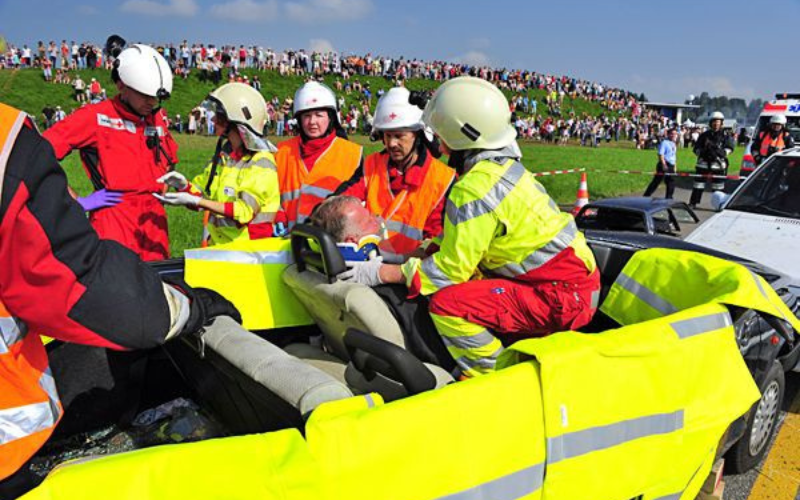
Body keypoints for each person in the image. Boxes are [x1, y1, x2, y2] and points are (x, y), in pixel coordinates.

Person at [0, 102, 240, 498]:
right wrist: (187, 308)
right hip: (9, 453)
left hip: (144, 234)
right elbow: (77, 283)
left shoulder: (158, 123)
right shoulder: (12, 140)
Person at [338, 77, 600, 378]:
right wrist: (403, 256)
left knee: (448, 303)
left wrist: (380, 273)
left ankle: (491, 375)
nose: (437, 141)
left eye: (439, 133)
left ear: (456, 136)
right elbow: (455, 241)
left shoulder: (473, 190)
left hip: (562, 297)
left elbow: (448, 273)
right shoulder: (499, 170)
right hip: (571, 286)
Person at [43, 36, 178, 261]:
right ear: (121, 85)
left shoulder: (157, 118)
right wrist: (78, 202)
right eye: (144, 95)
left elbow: (169, 158)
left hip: (154, 222)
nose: (151, 102)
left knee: (159, 287)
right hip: (114, 219)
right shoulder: (94, 117)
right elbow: (39, 153)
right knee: (116, 290)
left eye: (155, 98)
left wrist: (163, 187)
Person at [334, 87, 456, 263]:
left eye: (399, 136)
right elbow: (341, 201)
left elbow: (436, 242)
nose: (391, 143)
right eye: (387, 135)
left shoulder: (442, 180)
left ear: (418, 135)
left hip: (409, 278)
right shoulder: (371, 165)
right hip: (367, 267)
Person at [156, 83, 284, 244]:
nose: (214, 119)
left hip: (250, 254)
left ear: (236, 122)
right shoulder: (225, 157)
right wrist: (183, 186)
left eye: (221, 116)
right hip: (221, 250)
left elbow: (244, 211)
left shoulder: (261, 161)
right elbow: (202, 194)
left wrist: (197, 201)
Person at [275, 81, 363, 229]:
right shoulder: (281, 152)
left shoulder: (353, 154)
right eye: (307, 116)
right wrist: (277, 214)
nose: (312, 122)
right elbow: (268, 193)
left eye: (319, 115)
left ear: (330, 118)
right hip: (287, 242)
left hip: (332, 244)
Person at [689, 111, 735, 208]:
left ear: (721, 123)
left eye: (718, 122)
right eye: (714, 122)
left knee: (718, 187)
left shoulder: (725, 135)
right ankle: (693, 203)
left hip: (718, 165)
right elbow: (696, 148)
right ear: (710, 123)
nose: (716, 124)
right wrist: (702, 153)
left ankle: (719, 204)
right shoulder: (704, 135)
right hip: (703, 164)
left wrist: (723, 153)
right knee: (698, 185)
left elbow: (730, 147)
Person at [643, 128, 679, 199]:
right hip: (664, 163)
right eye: (672, 134)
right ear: (668, 134)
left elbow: (673, 155)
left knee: (671, 182)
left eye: (675, 134)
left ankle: (669, 197)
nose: (673, 135)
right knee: (657, 181)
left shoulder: (674, 144)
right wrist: (663, 164)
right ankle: (646, 196)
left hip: (671, 165)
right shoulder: (664, 143)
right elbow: (660, 154)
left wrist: (675, 165)